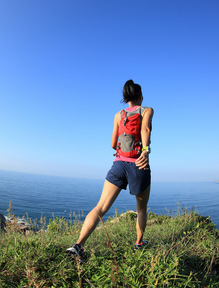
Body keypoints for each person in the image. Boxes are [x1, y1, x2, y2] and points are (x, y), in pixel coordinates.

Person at [66, 79, 154, 260]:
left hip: (119, 164)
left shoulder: (118, 115)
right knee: (141, 209)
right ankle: (138, 244)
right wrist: (145, 150)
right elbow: (145, 128)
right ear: (140, 95)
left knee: (100, 207)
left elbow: (113, 144)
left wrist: (123, 152)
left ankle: (78, 245)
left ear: (126, 98)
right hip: (139, 164)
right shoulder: (146, 110)